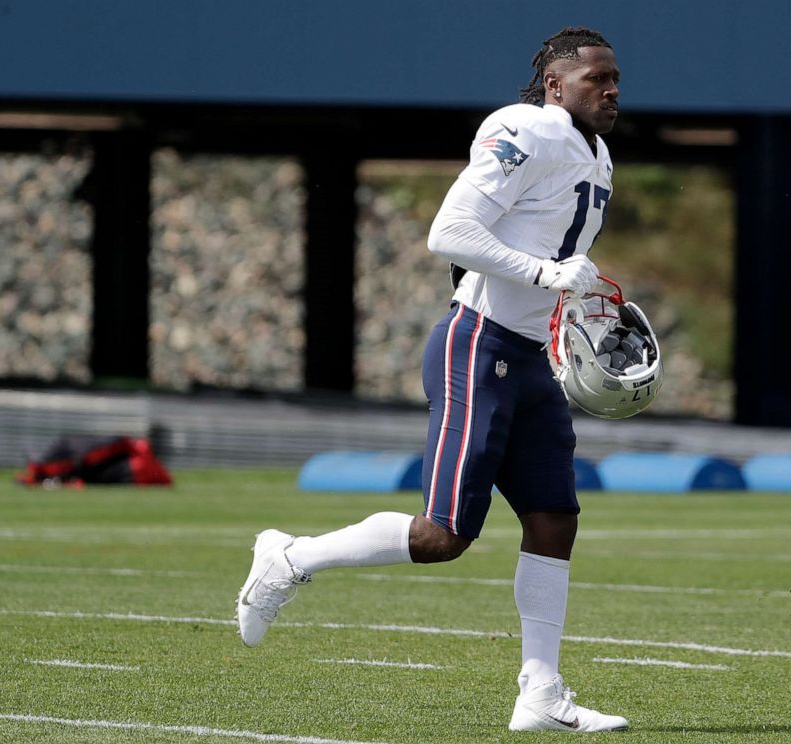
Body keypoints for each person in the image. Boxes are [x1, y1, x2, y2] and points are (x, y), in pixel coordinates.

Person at [237, 26, 627, 733]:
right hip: (477, 346)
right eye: (596, 77)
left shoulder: (599, 158)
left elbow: (544, 249)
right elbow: (449, 233)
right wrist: (543, 274)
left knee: (553, 520)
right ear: (554, 85)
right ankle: (291, 556)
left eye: (615, 78)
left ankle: (540, 693)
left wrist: (576, 301)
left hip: (528, 355)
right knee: (444, 534)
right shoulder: (526, 128)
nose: (611, 89)